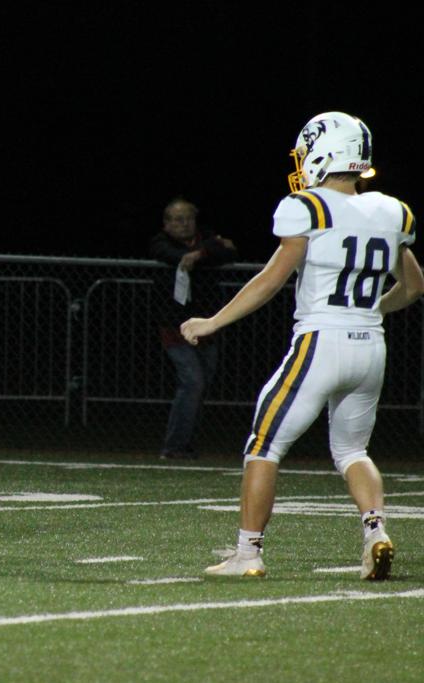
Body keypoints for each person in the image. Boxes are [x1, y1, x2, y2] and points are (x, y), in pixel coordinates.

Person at [181, 112, 423, 580]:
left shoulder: (309, 206)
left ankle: (248, 553)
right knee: (353, 451)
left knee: (264, 445)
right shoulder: (391, 210)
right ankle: (375, 532)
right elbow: (413, 286)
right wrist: (371, 311)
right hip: (371, 347)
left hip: (321, 342)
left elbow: (270, 280)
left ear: (325, 153)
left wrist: (213, 321)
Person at [150, 198, 237, 460]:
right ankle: (174, 445)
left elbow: (228, 251)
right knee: (192, 382)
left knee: (202, 384)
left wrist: (198, 254)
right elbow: (170, 255)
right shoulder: (160, 242)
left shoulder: (203, 239)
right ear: (166, 223)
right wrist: (207, 250)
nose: (184, 224)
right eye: (178, 219)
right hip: (174, 327)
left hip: (207, 325)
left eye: (188, 218)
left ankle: (186, 443)